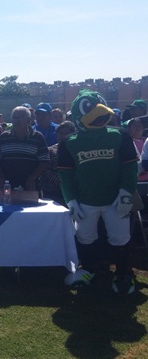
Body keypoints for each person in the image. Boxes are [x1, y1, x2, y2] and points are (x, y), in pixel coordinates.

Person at [58, 89, 138, 294]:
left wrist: (126, 192)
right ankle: (91, 270)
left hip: (115, 199)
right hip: (85, 200)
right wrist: (72, 201)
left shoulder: (120, 136)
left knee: (120, 237)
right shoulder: (69, 143)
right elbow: (65, 176)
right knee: (85, 237)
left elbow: (130, 167)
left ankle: (124, 273)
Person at [0, 106, 50, 191]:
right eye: (15, 118)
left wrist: (32, 177)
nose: (17, 120)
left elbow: (45, 161)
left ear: (29, 120)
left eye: (21, 117)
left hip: (30, 186)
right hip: (8, 186)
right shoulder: (4, 137)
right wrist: (1, 177)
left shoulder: (38, 137)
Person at [39, 121, 76, 206]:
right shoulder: (50, 150)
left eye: (66, 133)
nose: (63, 136)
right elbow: (45, 170)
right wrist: (61, 181)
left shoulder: (76, 150)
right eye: (60, 133)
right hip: (51, 192)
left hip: (71, 192)